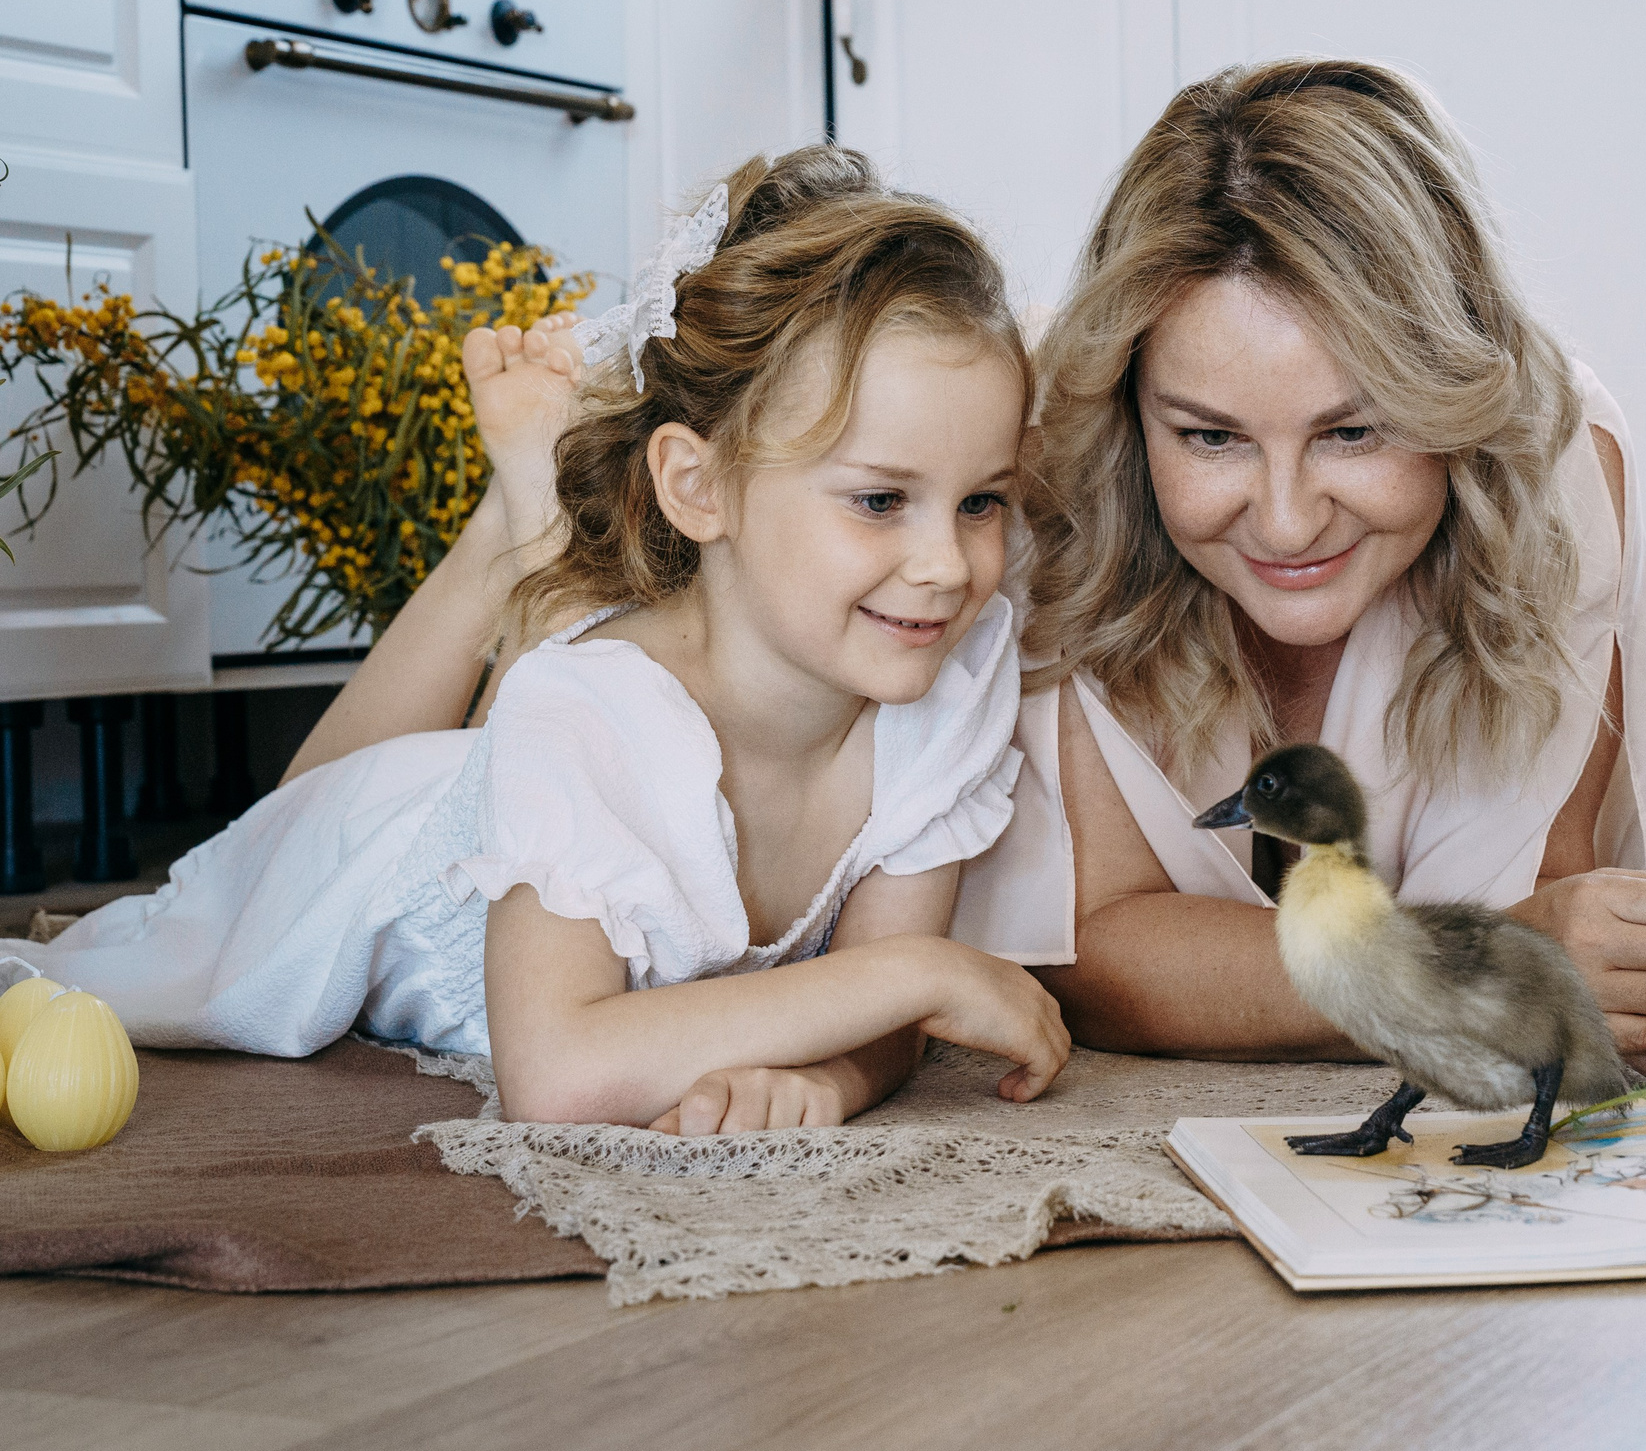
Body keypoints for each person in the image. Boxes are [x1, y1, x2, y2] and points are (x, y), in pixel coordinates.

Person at [0, 147, 1070, 1131]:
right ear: (699, 487)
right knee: (292, 831)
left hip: (533, 772)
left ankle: (529, 543)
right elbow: (558, 1075)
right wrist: (923, 974)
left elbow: (875, 1011)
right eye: (881, 500)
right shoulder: (591, 713)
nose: (948, 566)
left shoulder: (947, 675)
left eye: (981, 501)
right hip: (388, 864)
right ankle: (509, 542)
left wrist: (828, 1080)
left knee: (475, 750)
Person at [953, 58, 1646, 1078]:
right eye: (1210, 437)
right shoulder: (1049, 459)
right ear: (1131, 412)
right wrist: (1473, 965)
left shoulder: (1550, 458)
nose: (1287, 522)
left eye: (1352, 432)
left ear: (1450, 397)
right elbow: (1096, 945)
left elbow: (1533, 902)